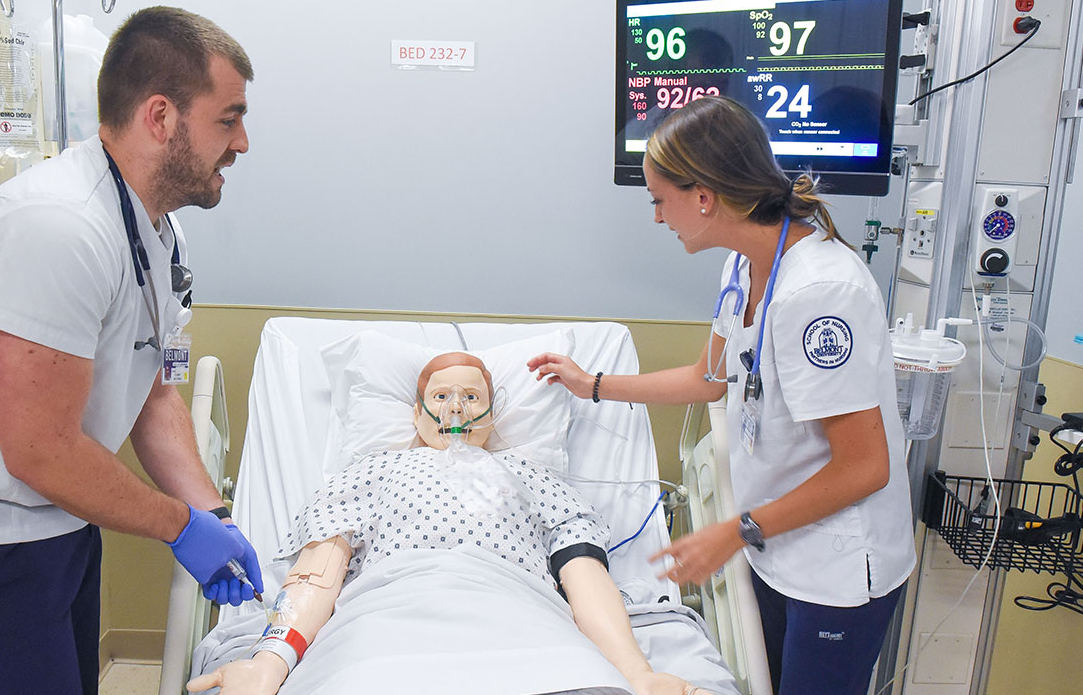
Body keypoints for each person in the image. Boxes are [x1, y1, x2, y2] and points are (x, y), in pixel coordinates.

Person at [0, 6, 263, 695]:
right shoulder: (57, 231)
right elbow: (39, 448)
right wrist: (179, 526)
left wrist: (214, 519)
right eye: (228, 119)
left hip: (53, 515)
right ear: (161, 118)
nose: (244, 142)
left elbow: (152, 389)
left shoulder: (155, 233)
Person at [528, 96, 916, 695]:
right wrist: (594, 385)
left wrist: (735, 530)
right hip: (777, 546)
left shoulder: (821, 293)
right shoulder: (744, 264)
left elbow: (865, 467)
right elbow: (710, 377)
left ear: (704, 198)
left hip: (836, 569)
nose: (658, 217)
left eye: (660, 199)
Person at [187, 353, 716, 695]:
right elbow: (316, 577)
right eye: (441, 396)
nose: (456, 407)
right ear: (417, 414)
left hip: (523, 616)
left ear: (492, 413)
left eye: (473, 397)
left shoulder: (534, 476)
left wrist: (637, 673)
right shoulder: (372, 470)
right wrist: (268, 661)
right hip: (386, 618)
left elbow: (585, 577)